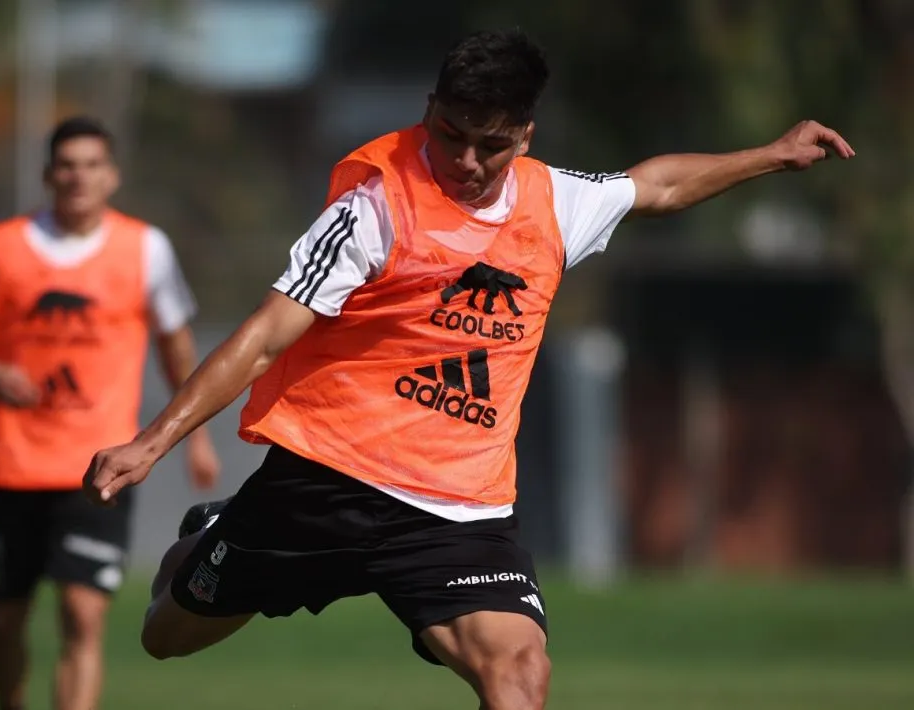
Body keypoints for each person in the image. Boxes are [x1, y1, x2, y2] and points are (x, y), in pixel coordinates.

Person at [82, 29, 854, 710]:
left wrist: (772, 155)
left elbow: (657, 186)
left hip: (458, 510)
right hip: (327, 482)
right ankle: (216, 531)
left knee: (519, 673)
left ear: (525, 133)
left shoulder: (552, 203)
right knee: (166, 637)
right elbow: (261, 336)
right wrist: (153, 442)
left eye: (492, 144)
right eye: (450, 135)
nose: (466, 161)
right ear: (430, 108)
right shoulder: (375, 208)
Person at [0, 116, 222, 710]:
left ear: (112, 176)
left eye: (92, 164)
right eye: (67, 164)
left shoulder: (146, 248)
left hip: (100, 460)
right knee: (7, 618)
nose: (79, 176)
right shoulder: (5, 246)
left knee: (82, 613)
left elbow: (176, 346)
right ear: (48, 174)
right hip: (15, 459)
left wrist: (195, 438)